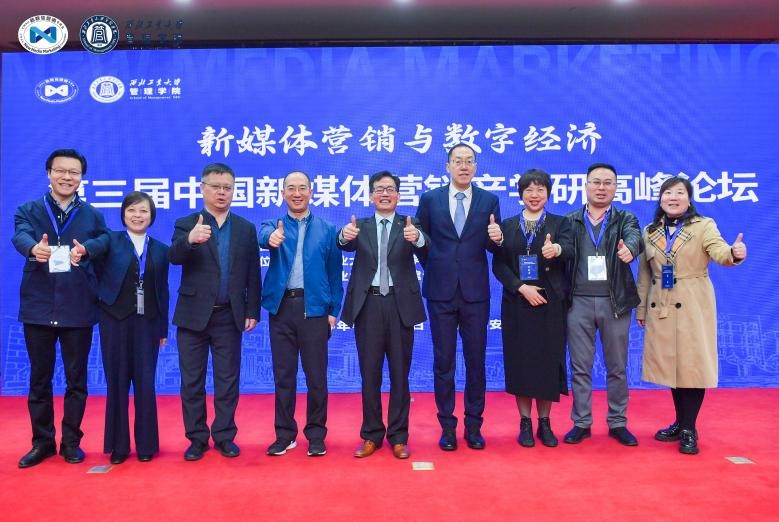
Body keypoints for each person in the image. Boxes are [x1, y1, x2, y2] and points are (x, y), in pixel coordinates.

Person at [12, 148, 109, 468]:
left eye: (74, 172)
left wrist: (88, 249)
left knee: (76, 381)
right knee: (39, 380)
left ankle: (71, 443)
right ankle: (42, 443)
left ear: (81, 178)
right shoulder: (29, 210)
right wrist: (33, 248)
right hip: (39, 306)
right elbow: (20, 235)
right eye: (61, 171)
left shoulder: (92, 215)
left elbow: (105, 240)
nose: (67, 177)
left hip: (78, 305)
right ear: (49, 173)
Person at [636, 176, 746, 455]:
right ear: (660, 198)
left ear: (689, 198)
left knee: (692, 366)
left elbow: (719, 251)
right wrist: (641, 308)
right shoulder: (650, 230)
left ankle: (689, 428)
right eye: (667, 193)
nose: (673, 198)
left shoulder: (703, 226)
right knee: (673, 366)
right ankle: (679, 422)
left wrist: (733, 253)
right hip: (661, 303)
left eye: (679, 193)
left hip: (693, 302)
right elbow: (645, 273)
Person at [169, 163, 261, 461]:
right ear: (202, 189)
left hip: (228, 315)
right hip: (193, 314)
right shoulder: (187, 223)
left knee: (227, 380)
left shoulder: (245, 228)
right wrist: (190, 240)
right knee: (191, 381)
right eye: (216, 187)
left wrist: (252, 309)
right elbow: (174, 257)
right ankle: (196, 438)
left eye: (227, 188)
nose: (222, 193)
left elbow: (252, 273)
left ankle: (224, 436)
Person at [416, 143, 500, 451]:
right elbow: (421, 241)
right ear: (448, 166)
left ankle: (474, 426)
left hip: (475, 293)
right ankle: (447, 427)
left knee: (476, 361)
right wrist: (437, 268)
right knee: (444, 361)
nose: (463, 166)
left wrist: (497, 239)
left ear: (475, 167)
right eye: (458, 161)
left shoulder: (489, 200)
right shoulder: (430, 199)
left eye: (469, 161)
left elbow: (492, 244)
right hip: (440, 292)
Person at [339, 171, 429, 460]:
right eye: (379, 189)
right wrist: (343, 235)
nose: (385, 194)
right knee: (370, 374)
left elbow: (428, 250)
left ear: (398, 195)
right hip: (368, 305)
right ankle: (371, 435)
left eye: (390, 189)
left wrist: (419, 239)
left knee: (400, 375)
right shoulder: (360, 226)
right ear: (370, 196)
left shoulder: (410, 225)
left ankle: (399, 437)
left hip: (400, 306)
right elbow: (343, 243)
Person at [258, 171, 343, 457]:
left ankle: (316, 434)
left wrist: (333, 311)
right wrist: (272, 238)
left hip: (315, 310)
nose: (297, 193)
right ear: (283, 193)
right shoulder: (273, 225)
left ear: (311, 192)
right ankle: (285, 435)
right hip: (282, 308)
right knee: (284, 376)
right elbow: (263, 237)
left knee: (316, 377)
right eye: (291, 188)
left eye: (302, 188)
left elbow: (335, 275)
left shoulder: (327, 230)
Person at [491, 169, 572, 447]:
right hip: (517, 303)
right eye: (529, 190)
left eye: (540, 190)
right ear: (521, 194)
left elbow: (570, 249)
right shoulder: (507, 226)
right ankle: (525, 422)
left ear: (548, 193)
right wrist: (520, 287)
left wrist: (557, 250)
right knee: (521, 362)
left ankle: (545, 423)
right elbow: (498, 265)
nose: (534, 195)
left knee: (547, 362)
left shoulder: (561, 223)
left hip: (550, 303)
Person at [564, 163, 642, 446]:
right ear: (586, 186)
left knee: (617, 366)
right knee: (580, 367)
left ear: (616, 187)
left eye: (608, 182)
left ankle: (618, 422)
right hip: (578, 302)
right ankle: (581, 422)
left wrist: (630, 249)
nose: (601, 187)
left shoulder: (625, 218)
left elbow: (635, 237)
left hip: (615, 301)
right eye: (596, 182)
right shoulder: (570, 220)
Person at [92, 191, 169, 464]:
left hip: (148, 324)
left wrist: (163, 329)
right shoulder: (110, 240)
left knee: (145, 384)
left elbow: (162, 291)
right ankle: (119, 446)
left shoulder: (160, 249)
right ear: (123, 214)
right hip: (114, 321)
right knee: (117, 383)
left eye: (144, 211)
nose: (138, 216)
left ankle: (146, 445)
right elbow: (92, 258)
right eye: (132, 210)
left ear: (152, 216)